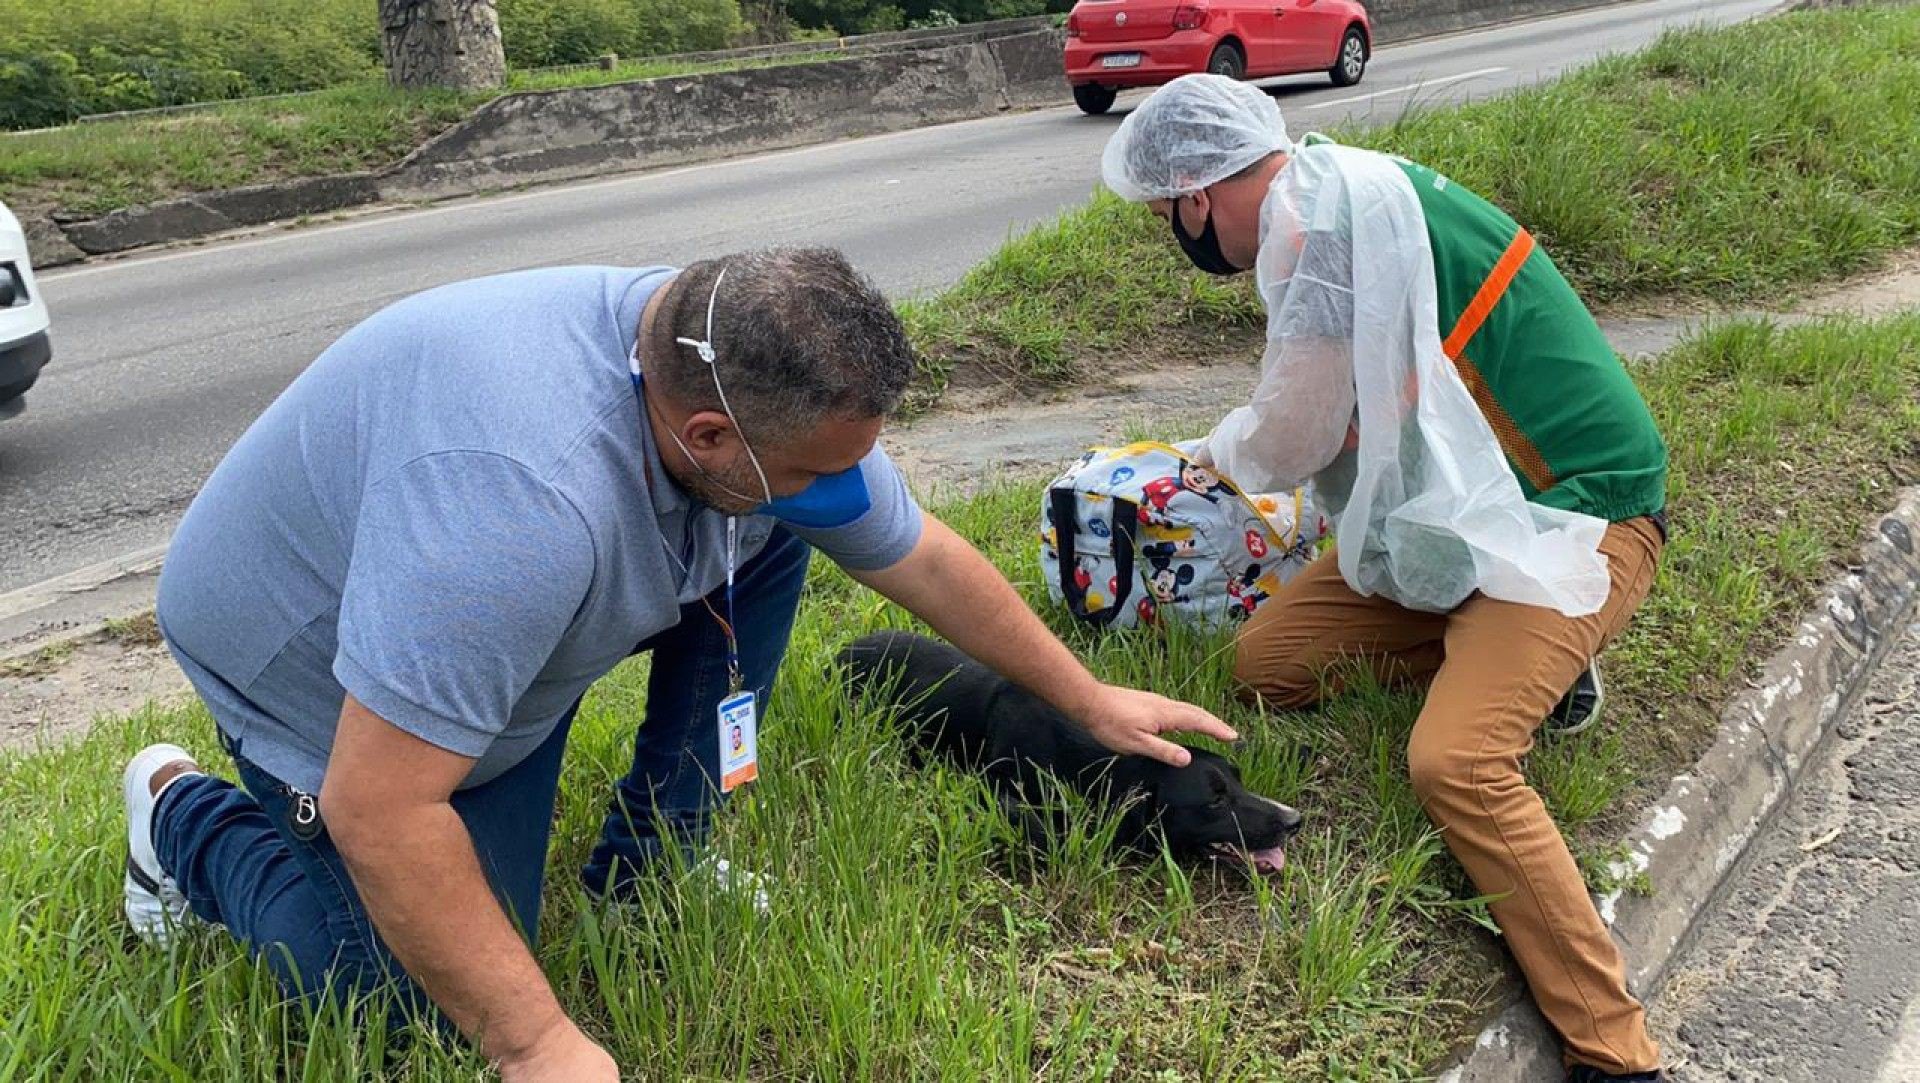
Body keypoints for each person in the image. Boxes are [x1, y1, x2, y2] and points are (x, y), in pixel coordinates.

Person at [123, 248, 1235, 1082]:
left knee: (770, 535)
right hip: (311, 663)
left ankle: (659, 853)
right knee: (397, 1004)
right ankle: (178, 817)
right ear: (707, 436)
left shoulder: (728, 353)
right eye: (813, 471)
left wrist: (1085, 695)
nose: (845, 493)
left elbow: (922, 555)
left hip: (490, 620)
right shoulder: (516, 507)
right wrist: (538, 1042)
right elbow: (380, 807)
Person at [1100, 76, 1669, 1083]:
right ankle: (1520, 666)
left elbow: (1296, 430)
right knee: (1265, 664)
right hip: (1459, 518)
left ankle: (1614, 1050)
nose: (1174, 239)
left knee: (1455, 765)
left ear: (1193, 194)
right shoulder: (1326, 194)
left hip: (1574, 519)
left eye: (1162, 220)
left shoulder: (1323, 228)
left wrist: (1204, 456)